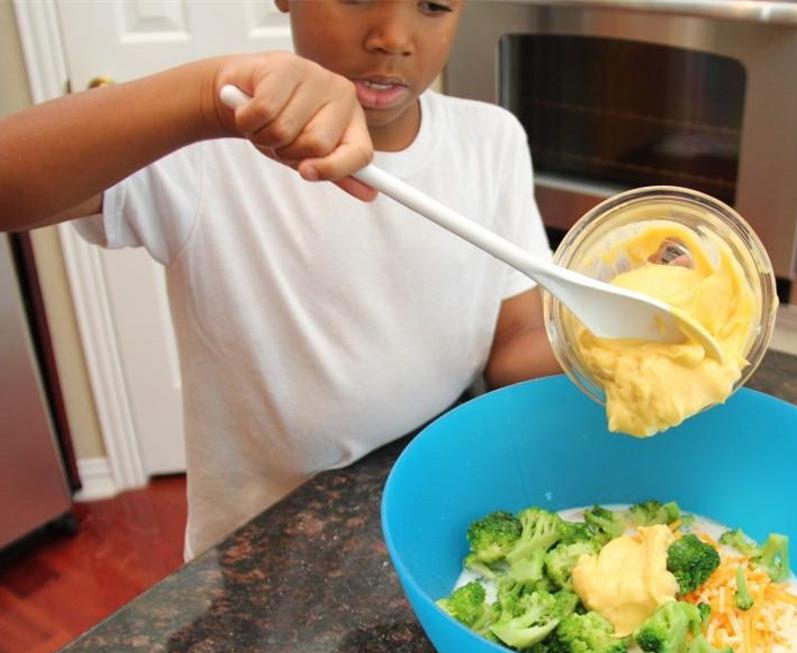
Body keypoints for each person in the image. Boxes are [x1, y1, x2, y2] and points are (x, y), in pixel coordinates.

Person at [0, 0, 561, 560]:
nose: (392, 36)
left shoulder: (491, 139)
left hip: (433, 494)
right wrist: (205, 98)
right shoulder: (207, 148)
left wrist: (618, 350)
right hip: (263, 545)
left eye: (434, 5)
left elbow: (513, 344)